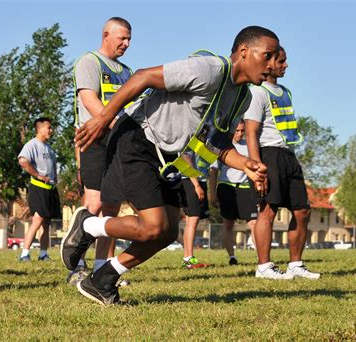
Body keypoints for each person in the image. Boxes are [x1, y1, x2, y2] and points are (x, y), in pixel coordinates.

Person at [62, 26, 276, 305]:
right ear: (244, 52)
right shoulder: (209, 69)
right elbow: (143, 77)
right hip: (138, 138)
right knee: (152, 226)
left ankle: (101, 281)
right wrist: (103, 118)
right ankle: (88, 224)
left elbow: (214, 144)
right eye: (268, 56)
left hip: (168, 157)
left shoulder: (242, 97)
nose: (272, 65)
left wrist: (246, 164)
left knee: (165, 233)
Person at [244, 47, 320, 280]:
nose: (286, 65)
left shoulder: (285, 91)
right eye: (282, 61)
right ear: (269, 63)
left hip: (288, 155)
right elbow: (251, 132)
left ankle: (295, 264)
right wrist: (256, 166)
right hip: (269, 155)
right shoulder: (257, 92)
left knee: (302, 210)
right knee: (268, 210)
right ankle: (264, 267)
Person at [70, 17, 133, 283]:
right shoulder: (89, 61)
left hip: (118, 142)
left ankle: (100, 266)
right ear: (106, 35)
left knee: (111, 207)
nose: (127, 44)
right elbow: (90, 101)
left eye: (129, 39)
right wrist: (117, 123)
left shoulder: (127, 71)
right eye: (122, 38)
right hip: (95, 139)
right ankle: (75, 265)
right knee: (93, 203)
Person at [209, 120, 258, 265]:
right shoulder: (222, 146)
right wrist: (212, 194)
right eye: (237, 131)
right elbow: (213, 172)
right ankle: (232, 257)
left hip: (245, 188)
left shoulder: (249, 147)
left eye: (242, 131)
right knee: (228, 224)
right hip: (226, 187)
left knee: (254, 223)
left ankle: (260, 256)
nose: (239, 134)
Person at [18, 117, 61, 261]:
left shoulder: (49, 148)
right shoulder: (32, 145)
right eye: (48, 127)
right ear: (39, 129)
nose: (51, 130)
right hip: (38, 188)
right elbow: (23, 161)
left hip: (50, 189)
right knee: (37, 220)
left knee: (46, 223)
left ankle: (43, 254)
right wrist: (38, 176)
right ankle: (24, 253)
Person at [180, 174, 210, 269]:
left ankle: (187, 259)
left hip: (197, 180)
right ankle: (189, 260)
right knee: (193, 219)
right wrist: (196, 185)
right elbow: (187, 162)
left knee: (190, 220)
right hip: (190, 181)